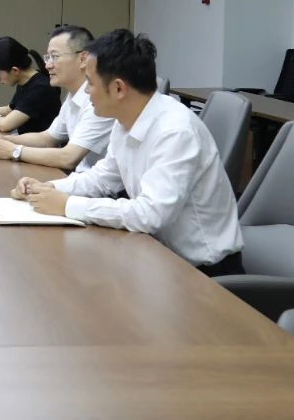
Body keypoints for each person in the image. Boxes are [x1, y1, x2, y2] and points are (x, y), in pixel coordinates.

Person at [13, 30, 244, 274]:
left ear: (118, 88)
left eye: (91, 82)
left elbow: (151, 214)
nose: (87, 91)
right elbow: (102, 178)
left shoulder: (175, 131)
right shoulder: (125, 120)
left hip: (202, 270)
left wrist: (68, 205)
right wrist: (48, 188)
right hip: (155, 251)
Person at [0, 25, 113, 171]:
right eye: (48, 57)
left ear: (83, 59)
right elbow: (47, 138)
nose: (47, 65)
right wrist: (2, 139)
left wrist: (14, 150)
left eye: (55, 57)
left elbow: (69, 158)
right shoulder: (72, 97)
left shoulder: (98, 100)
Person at [0, 36, 60, 134]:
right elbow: (9, 109)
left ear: (15, 70)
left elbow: (5, 126)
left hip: (39, 143)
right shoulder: (26, 81)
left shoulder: (40, 88)